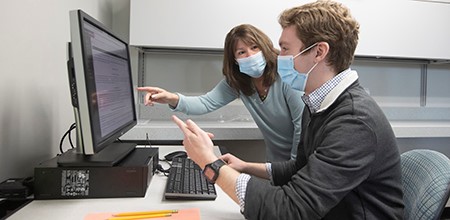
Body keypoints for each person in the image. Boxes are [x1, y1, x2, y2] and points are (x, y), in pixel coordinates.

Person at [171, 1, 404, 219]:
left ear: (319, 52)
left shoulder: (354, 122)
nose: (277, 56)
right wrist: (245, 167)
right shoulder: (317, 103)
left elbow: (290, 210)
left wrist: (210, 163)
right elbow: (299, 168)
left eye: (284, 49)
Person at [138, 24, 304, 162]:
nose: (250, 55)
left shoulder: (286, 75)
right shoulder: (238, 82)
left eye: (255, 47)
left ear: (265, 47)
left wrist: (294, 166)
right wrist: (170, 98)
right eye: (241, 52)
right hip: (275, 163)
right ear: (235, 60)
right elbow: (205, 103)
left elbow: (301, 127)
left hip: (302, 161)